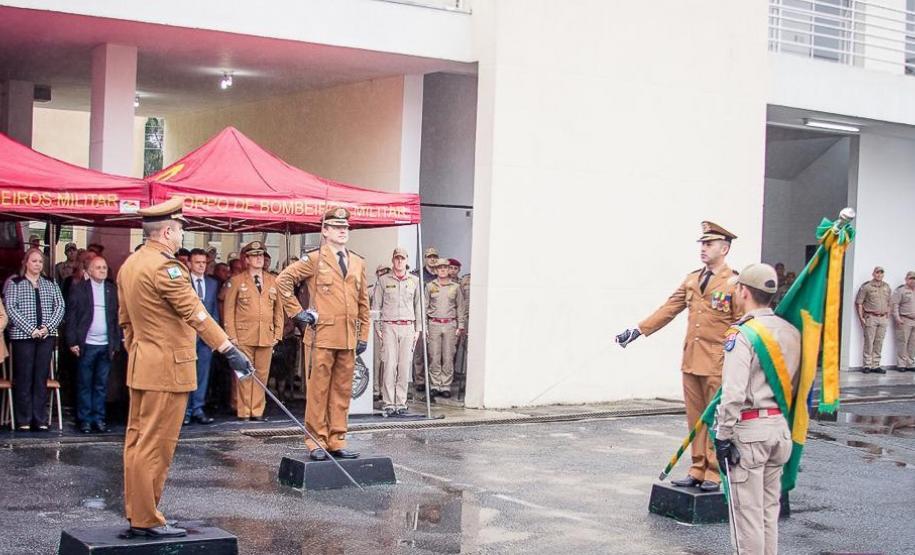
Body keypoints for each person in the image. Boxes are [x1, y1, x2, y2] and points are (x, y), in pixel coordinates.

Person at [117, 196, 253, 538]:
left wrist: (139, 350)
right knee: (157, 445)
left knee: (137, 442)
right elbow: (196, 313)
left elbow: (125, 322)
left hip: (142, 364)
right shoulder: (166, 268)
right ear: (165, 232)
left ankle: (139, 512)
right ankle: (147, 517)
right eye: (178, 230)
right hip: (168, 368)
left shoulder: (130, 265)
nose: (181, 237)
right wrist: (227, 348)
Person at [616, 221, 741, 492]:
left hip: (718, 362)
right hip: (692, 359)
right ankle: (697, 468)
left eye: (709, 244)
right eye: (702, 244)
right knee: (696, 418)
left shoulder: (734, 282)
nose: (704, 249)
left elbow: (742, 322)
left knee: (715, 418)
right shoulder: (692, 279)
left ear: (725, 248)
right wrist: (637, 330)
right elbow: (669, 309)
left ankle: (713, 472)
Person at [714, 263, 799, 555]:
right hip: (779, 430)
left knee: (747, 516)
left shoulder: (743, 335)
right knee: (767, 514)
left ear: (744, 292)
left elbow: (734, 393)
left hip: (750, 434)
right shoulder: (791, 331)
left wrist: (722, 434)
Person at [276, 207, 370, 461]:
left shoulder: (358, 262)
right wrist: (297, 312)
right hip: (323, 336)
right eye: (337, 228)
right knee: (318, 391)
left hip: (348, 337)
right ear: (325, 231)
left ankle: (337, 439)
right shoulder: (314, 259)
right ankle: (316, 441)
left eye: (346, 228)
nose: (342, 232)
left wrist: (364, 336)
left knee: (341, 391)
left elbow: (364, 303)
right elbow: (283, 281)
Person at [5, 248, 65, 431]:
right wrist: (31, 330)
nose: (37, 264)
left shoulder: (51, 283)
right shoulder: (16, 283)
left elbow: (60, 306)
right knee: (24, 377)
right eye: (34, 261)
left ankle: (39, 418)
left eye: (40, 261)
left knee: (41, 377)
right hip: (23, 337)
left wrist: (48, 327)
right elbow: (11, 308)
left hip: (46, 336)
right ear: (26, 263)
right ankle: (23, 418)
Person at [223, 241, 284, 421]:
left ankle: (257, 411)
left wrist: (277, 334)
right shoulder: (236, 281)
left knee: (262, 375)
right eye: (254, 256)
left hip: (266, 335)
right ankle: (244, 411)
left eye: (261, 255)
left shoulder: (273, 280)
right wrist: (232, 336)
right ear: (247, 259)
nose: (259, 259)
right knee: (244, 374)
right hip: (243, 335)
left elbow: (278, 310)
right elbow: (229, 311)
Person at [65, 256, 121, 433]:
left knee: (101, 384)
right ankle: (85, 420)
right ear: (89, 270)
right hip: (86, 344)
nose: (102, 270)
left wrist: (115, 343)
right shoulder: (79, 289)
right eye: (98, 267)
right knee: (85, 384)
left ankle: (99, 418)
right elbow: (72, 317)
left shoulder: (111, 290)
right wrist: (72, 341)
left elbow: (116, 319)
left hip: (105, 344)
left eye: (104, 267)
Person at [373, 248, 422, 416]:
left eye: (402, 258)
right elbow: (376, 306)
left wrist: (418, 329)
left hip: (408, 327)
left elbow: (418, 306)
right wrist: (378, 328)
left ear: (406, 260)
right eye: (397, 258)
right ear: (392, 260)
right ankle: (388, 401)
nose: (399, 261)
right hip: (389, 326)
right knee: (389, 364)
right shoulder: (383, 280)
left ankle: (400, 402)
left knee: (404, 365)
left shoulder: (414, 281)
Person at [183, 248, 221, 425]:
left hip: (205, 338)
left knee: (202, 375)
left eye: (204, 263)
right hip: (186, 337)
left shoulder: (212, 283)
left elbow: (214, 311)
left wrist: (215, 337)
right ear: (189, 263)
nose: (201, 266)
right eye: (197, 262)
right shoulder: (182, 282)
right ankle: (185, 411)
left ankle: (198, 408)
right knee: (186, 375)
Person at [425, 257, 466, 398]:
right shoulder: (430, 286)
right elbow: (424, 307)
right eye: (439, 268)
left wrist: (460, 326)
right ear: (436, 270)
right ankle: (435, 384)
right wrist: (424, 326)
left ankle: (446, 385)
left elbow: (460, 307)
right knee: (434, 356)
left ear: (449, 270)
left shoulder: (455, 287)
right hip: (434, 324)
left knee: (448, 356)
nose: (442, 270)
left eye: (445, 267)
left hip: (449, 324)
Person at [855, 266, 891, 374]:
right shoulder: (867, 287)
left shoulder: (887, 287)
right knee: (869, 342)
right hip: (871, 317)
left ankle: (876, 365)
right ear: (873, 274)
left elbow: (890, 302)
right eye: (877, 273)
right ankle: (867, 365)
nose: (879, 275)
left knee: (879, 342)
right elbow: (859, 303)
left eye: (881, 273)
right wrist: (861, 318)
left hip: (882, 318)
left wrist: (887, 314)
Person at [370, 264, 392, 402]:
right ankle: (375, 389)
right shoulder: (371, 290)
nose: (382, 273)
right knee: (376, 360)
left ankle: (386, 390)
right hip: (376, 327)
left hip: (390, 325)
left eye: (385, 271)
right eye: (380, 272)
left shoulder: (393, 288)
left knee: (389, 360)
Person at [891, 271, 915, 372]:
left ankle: (910, 364)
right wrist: (897, 318)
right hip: (904, 320)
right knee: (902, 342)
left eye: (914, 278)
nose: (913, 280)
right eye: (911, 278)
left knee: (913, 343)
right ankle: (901, 364)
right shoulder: (901, 291)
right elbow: (895, 305)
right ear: (906, 279)